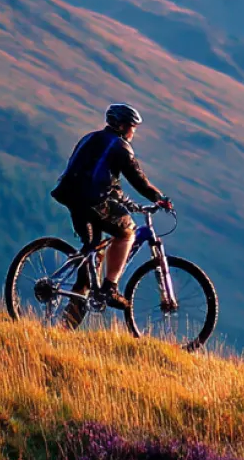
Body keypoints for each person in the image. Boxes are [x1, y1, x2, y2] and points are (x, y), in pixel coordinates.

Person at [51, 103, 171, 312]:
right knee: (127, 231)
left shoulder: (90, 138)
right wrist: (159, 198)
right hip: (93, 200)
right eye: (133, 126)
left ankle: (67, 323)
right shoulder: (120, 147)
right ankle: (111, 288)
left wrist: (123, 200)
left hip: (71, 197)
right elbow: (138, 180)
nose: (134, 131)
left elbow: (95, 175)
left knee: (93, 254)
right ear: (123, 126)